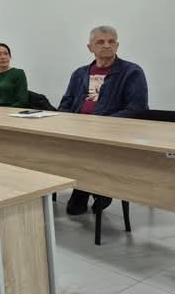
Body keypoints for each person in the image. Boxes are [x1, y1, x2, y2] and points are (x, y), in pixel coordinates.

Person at [58, 25, 149, 215]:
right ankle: (88, 187)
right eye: (100, 42)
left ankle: (92, 189)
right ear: (90, 47)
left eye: (111, 41)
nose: (107, 45)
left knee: (89, 148)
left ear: (117, 45)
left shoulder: (131, 72)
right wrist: (64, 122)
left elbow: (137, 109)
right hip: (78, 130)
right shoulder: (80, 73)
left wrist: (101, 124)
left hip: (113, 133)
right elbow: (66, 103)